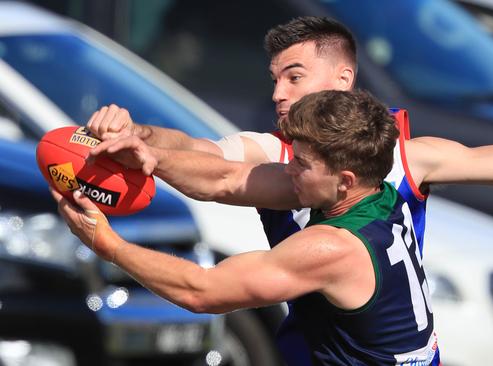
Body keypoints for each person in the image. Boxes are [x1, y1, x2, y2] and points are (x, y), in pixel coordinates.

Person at [80, 16, 493, 365]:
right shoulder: (286, 157)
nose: (277, 93)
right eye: (274, 79)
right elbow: (214, 166)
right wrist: (143, 139)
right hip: (327, 343)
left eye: (294, 77)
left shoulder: (400, 157)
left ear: (342, 80)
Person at [53, 89, 441, 365]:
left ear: (345, 180)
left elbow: (202, 291)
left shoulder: (334, 248)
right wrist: (151, 157)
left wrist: (106, 244)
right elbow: (226, 178)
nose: (289, 169)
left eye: (301, 164)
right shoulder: (382, 196)